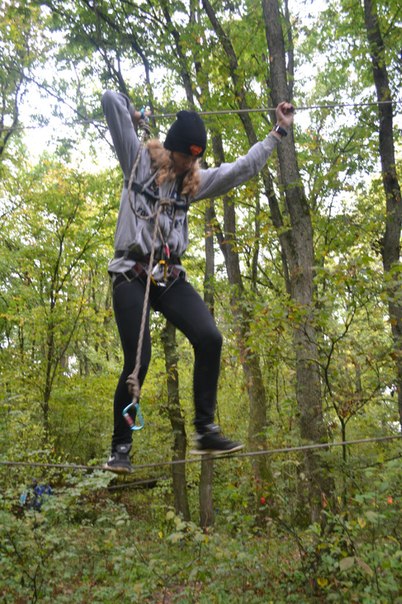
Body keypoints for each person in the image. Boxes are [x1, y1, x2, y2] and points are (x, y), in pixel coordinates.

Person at [102, 89, 294, 473]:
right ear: (170, 149)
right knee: (140, 359)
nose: (190, 163)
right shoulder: (137, 161)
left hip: (167, 274)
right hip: (130, 272)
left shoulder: (194, 181)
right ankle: (120, 448)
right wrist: (132, 113)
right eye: (184, 156)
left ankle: (205, 430)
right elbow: (109, 100)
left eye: (195, 158)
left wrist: (278, 133)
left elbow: (240, 169)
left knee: (210, 338)